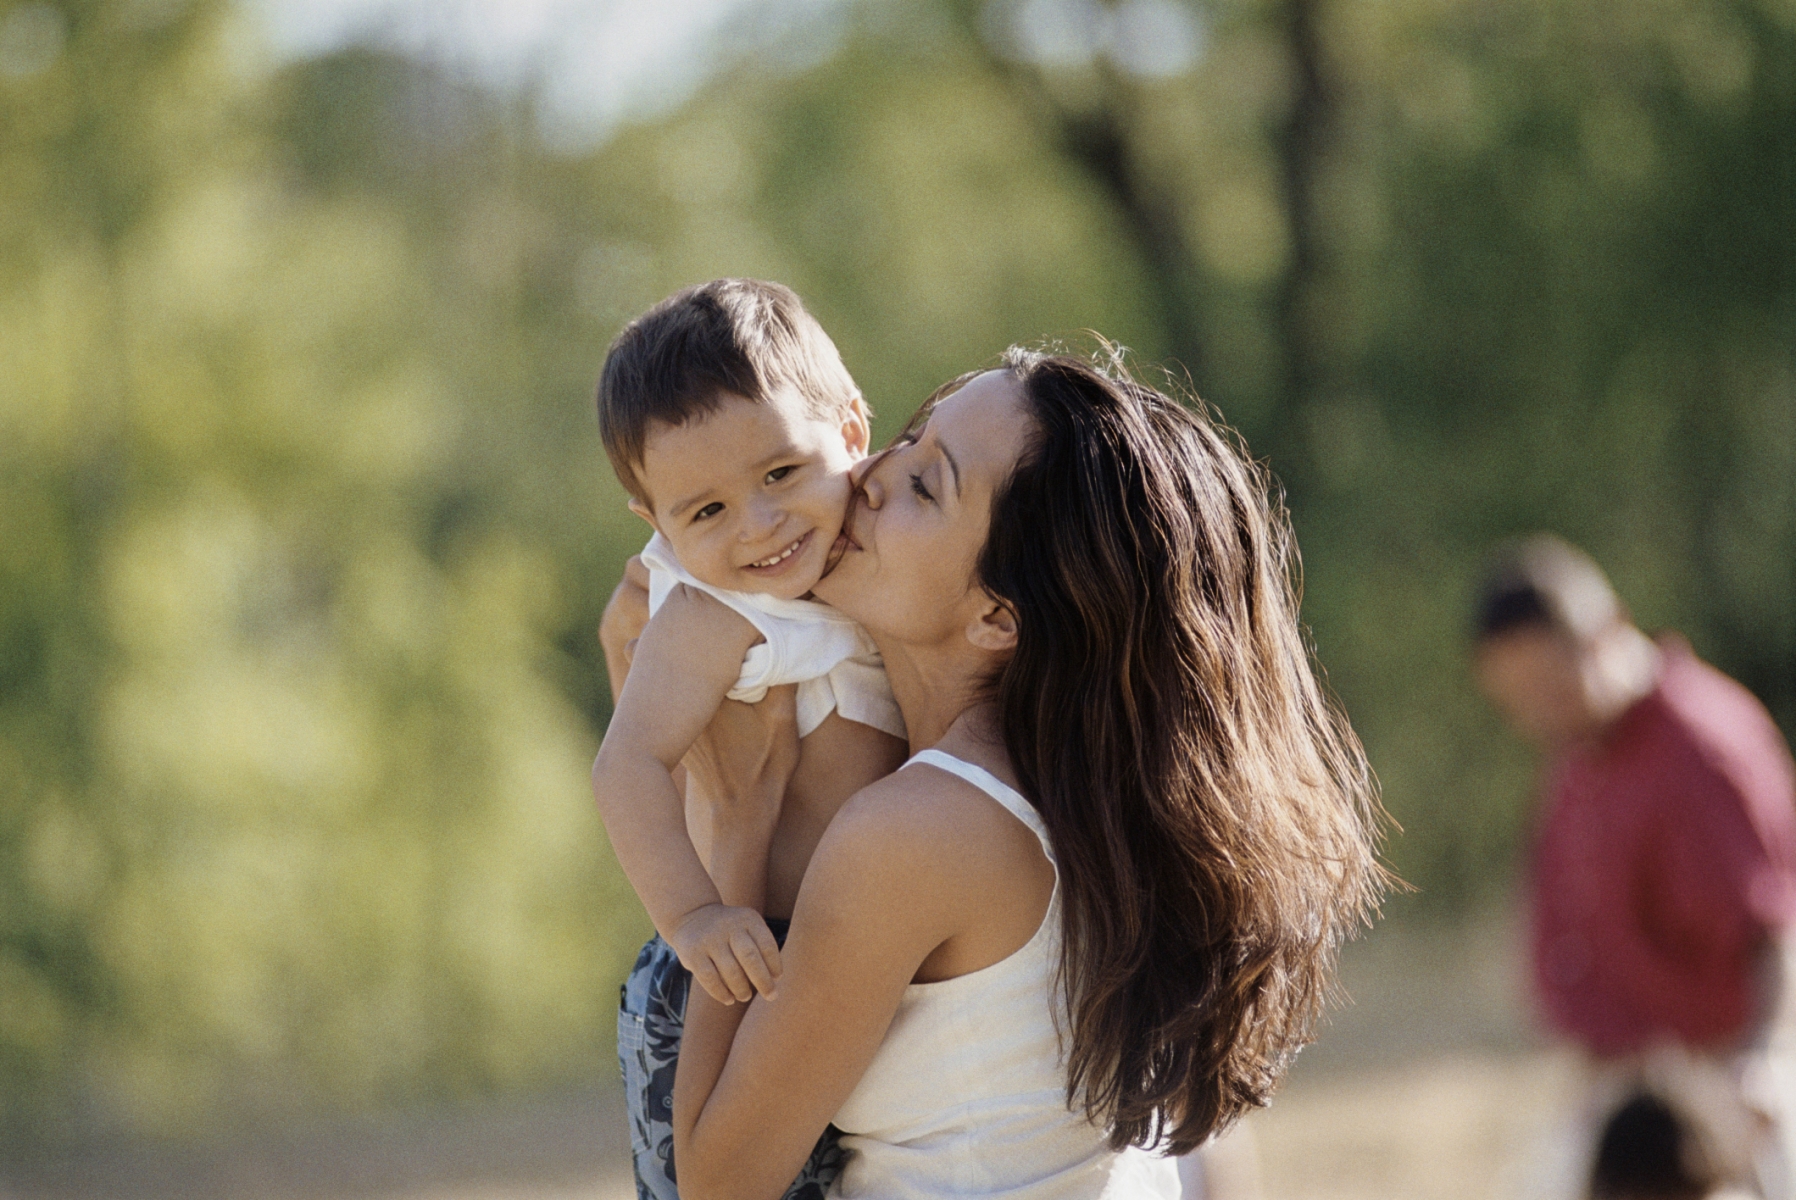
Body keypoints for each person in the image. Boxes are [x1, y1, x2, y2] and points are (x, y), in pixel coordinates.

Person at [605, 347, 1384, 1198]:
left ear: (998, 615)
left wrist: (737, 812)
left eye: (926, 486)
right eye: (910, 442)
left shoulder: (919, 831)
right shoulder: (1075, 793)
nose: (870, 475)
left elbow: (718, 1183)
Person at [593, 279, 909, 1199]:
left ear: (853, 431)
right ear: (656, 525)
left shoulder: (892, 533)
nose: (760, 527)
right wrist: (693, 919)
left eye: (780, 474)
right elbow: (629, 763)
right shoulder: (709, 612)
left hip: (840, 961)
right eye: (707, 512)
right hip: (737, 962)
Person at [1472, 534, 1796, 1196]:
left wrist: (1760, 1064)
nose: (1537, 714)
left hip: (1718, 1101)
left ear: (1606, 632)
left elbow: (1770, 923)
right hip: (1623, 1097)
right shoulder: (1580, 751)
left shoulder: (1702, 746)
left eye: (1549, 687)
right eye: (1519, 699)